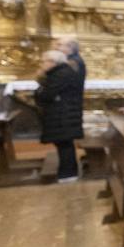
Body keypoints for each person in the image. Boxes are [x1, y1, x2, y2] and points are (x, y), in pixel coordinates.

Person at [35, 50, 84, 182]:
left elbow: (46, 95)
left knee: (64, 144)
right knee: (64, 143)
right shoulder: (60, 72)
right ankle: (67, 173)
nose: (41, 64)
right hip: (62, 114)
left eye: (43, 61)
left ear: (52, 62)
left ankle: (68, 174)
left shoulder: (61, 74)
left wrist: (41, 86)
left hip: (63, 115)